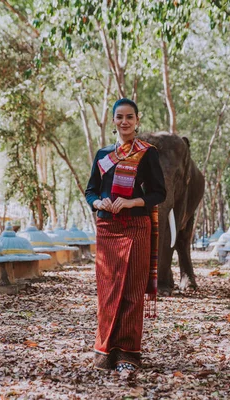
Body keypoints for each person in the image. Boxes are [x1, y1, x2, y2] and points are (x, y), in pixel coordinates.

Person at [85, 98, 167, 373]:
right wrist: (99, 203)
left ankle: (128, 356)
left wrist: (132, 202)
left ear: (137, 120)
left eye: (129, 117)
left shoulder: (147, 153)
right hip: (108, 229)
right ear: (113, 121)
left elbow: (159, 193)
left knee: (132, 292)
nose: (124, 122)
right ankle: (105, 352)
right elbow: (91, 191)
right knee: (107, 293)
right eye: (119, 117)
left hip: (136, 228)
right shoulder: (102, 155)